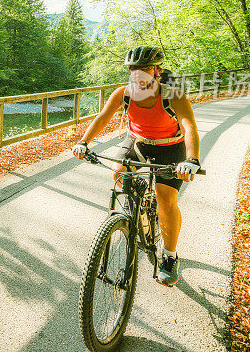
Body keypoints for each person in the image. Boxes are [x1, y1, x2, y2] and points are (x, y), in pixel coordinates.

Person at [71, 46, 201, 287]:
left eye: (144, 68)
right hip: (138, 142)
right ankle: (136, 207)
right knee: (118, 173)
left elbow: (189, 126)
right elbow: (102, 117)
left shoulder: (173, 95)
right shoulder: (124, 93)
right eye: (132, 68)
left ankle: (170, 256)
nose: (137, 73)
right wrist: (83, 142)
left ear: (157, 71)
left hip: (170, 147)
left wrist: (191, 159)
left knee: (165, 198)